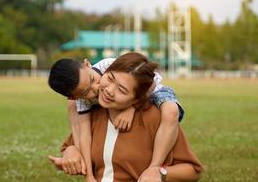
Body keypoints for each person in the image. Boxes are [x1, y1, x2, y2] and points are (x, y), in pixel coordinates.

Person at [50, 52, 203, 182]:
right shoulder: (93, 111)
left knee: (171, 109)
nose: (106, 90)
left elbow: (193, 170)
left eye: (121, 90)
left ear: (137, 97)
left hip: (153, 92)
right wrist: (71, 151)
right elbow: (77, 142)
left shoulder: (155, 118)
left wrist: (159, 172)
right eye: (109, 79)